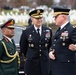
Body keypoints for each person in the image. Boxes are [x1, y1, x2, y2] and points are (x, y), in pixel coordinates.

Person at [20, 8, 52, 75]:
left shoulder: (48, 30)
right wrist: (29, 56)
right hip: (32, 63)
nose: (39, 20)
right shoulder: (26, 31)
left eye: (40, 18)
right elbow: (23, 47)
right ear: (32, 19)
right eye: (37, 18)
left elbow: (50, 46)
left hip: (44, 63)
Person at [49, 7, 76, 75]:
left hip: (66, 68)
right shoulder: (58, 30)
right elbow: (54, 45)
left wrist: (75, 47)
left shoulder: (72, 29)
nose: (54, 19)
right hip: (56, 66)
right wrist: (50, 53)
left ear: (63, 17)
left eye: (56, 17)